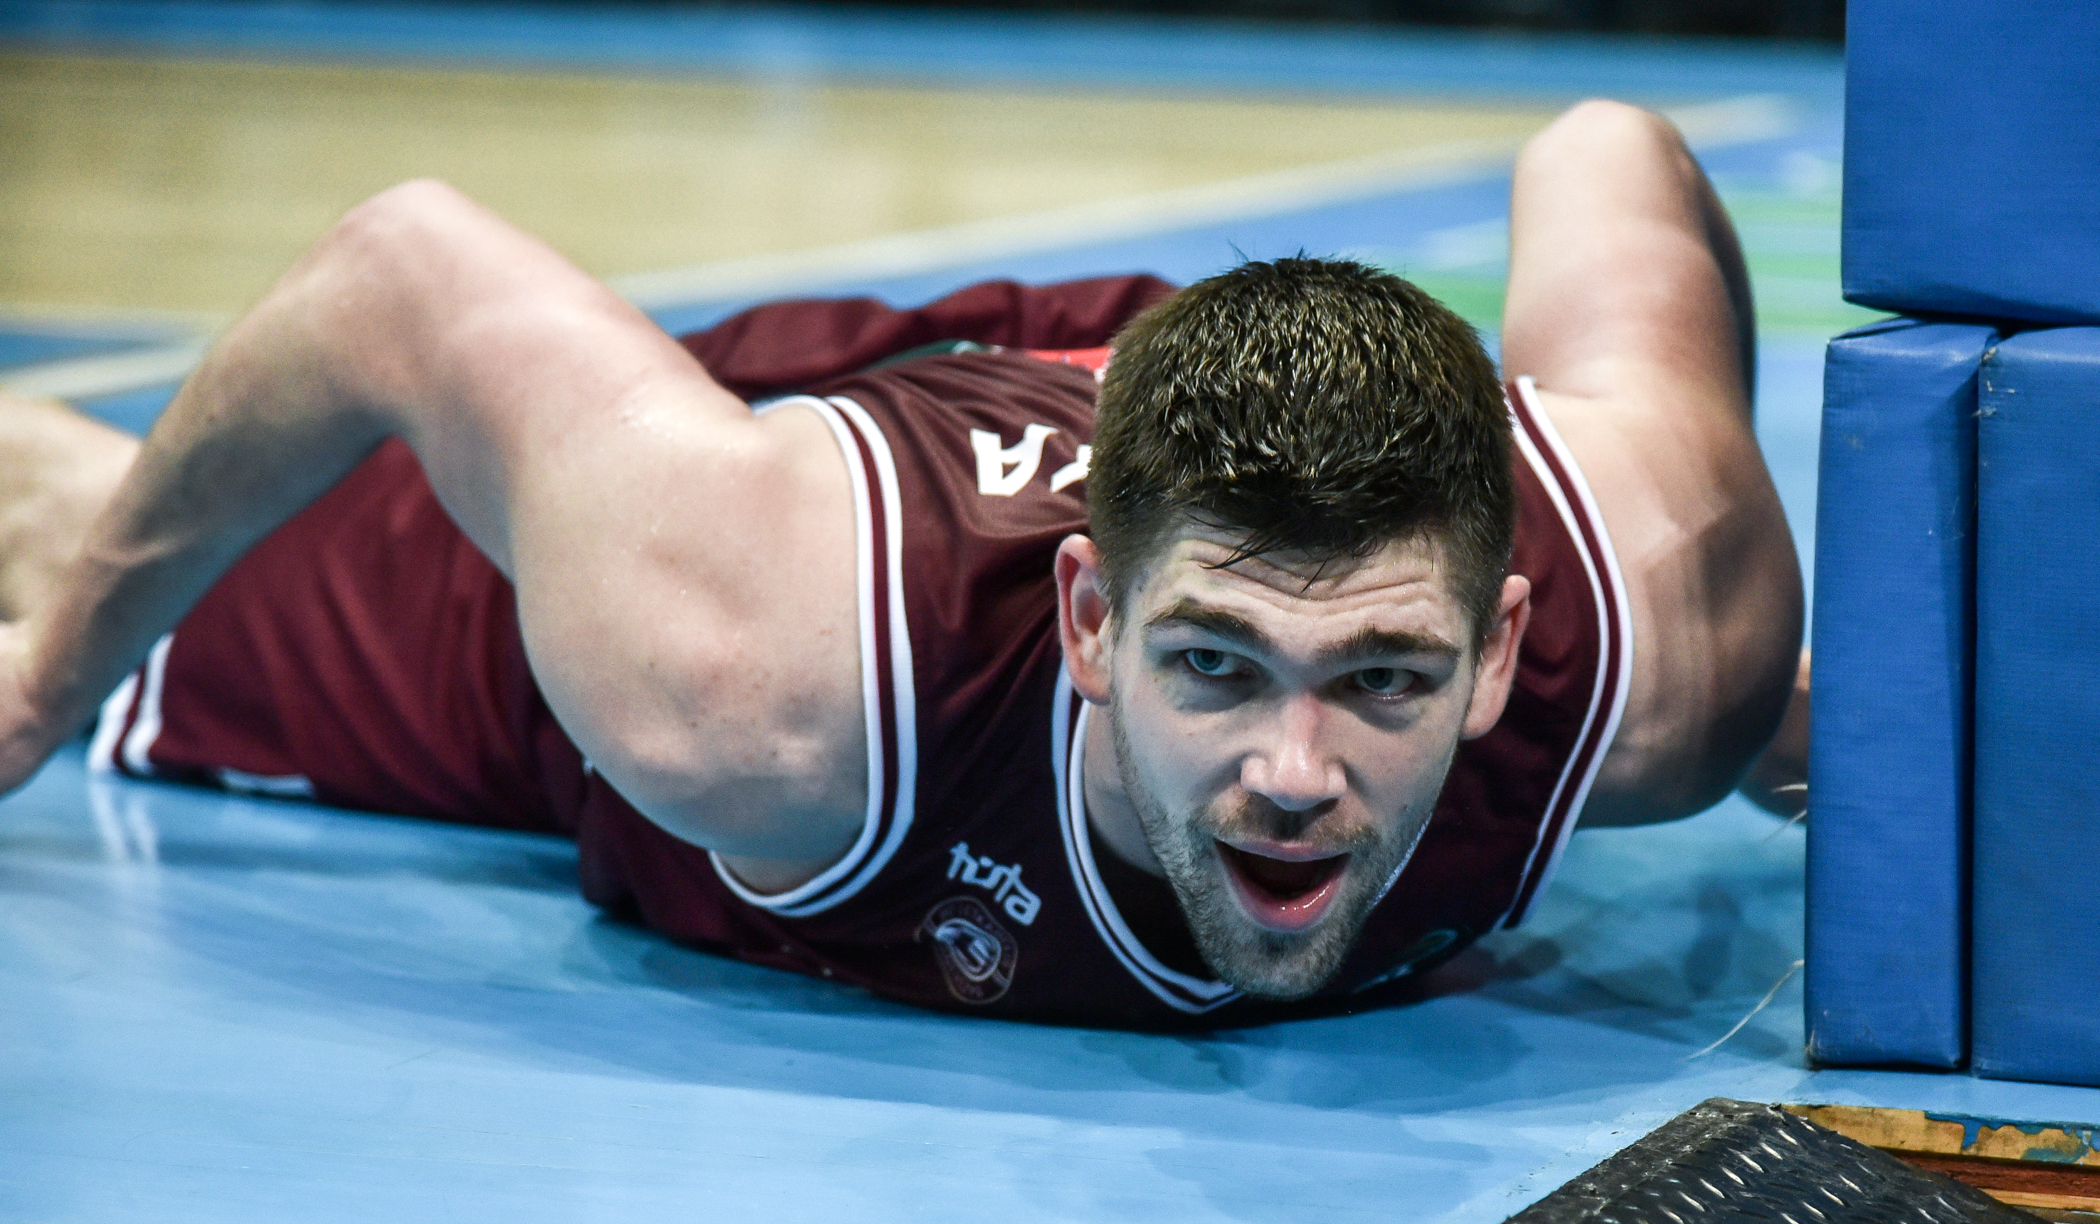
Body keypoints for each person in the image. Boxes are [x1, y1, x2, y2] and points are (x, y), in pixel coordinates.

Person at [0, 100, 1804, 1027]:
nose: (1292, 774)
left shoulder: (1672, 646)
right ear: (1093, 620)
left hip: (1207, 409)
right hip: (809, 506)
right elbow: (400, 270)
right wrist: (44, 678)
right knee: (80, 532)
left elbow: (1606, 149)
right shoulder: (750, 671)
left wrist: (1806, 718)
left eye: (1383, 680)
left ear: (1498, 653)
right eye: (1216, 666)